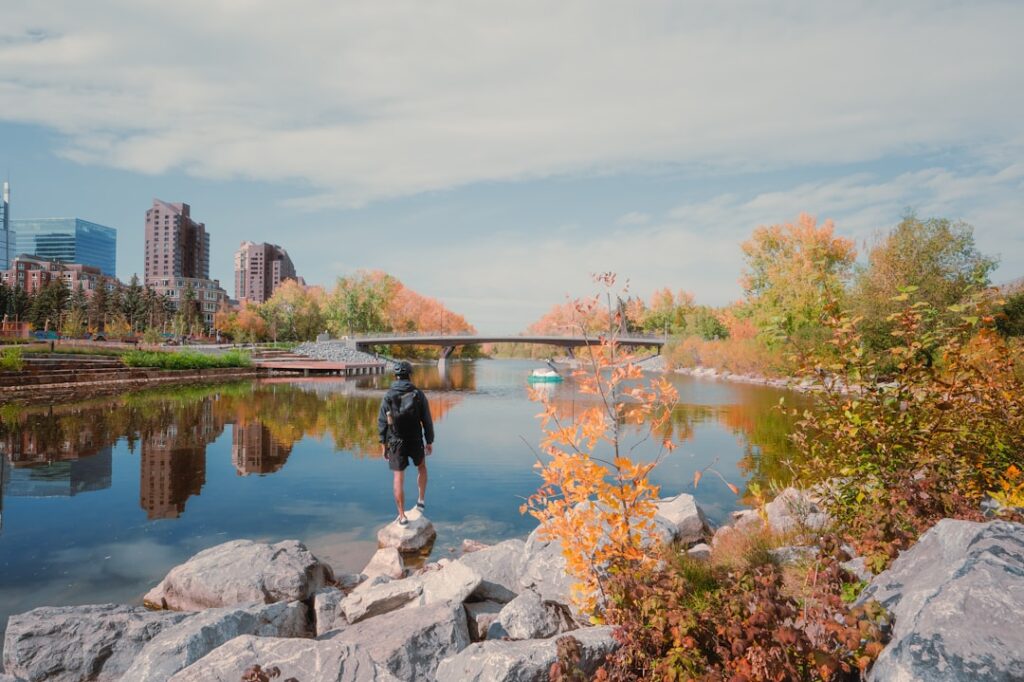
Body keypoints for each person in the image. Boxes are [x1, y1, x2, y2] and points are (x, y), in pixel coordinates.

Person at [378, 360, 434, 525]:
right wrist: (429, 440)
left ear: (395, 376)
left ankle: (402, 516)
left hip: (396, 440)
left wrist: (383, 444)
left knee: (398, 477)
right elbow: (426, 419)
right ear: (410, 375)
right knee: (421, 467)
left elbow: (382, 422)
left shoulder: (388, 396)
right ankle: (421, 501)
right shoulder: (418, 394)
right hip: (415, 438)